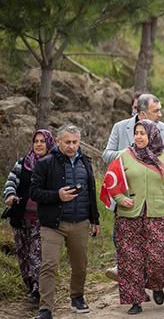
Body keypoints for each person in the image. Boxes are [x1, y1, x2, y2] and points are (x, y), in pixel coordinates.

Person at [30, 124, 100, 319]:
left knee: (80, 264)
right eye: (67, 142)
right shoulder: (45, 163)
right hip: (53, 224)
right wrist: (57, 195)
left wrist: (95, 219)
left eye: (75, 142)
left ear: (79, 142)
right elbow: (34, 192)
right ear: (58, 141)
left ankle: (77, 297)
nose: (71, 146)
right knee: (49, 265)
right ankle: (45, 309)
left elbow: (91, 192)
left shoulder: (85, 161)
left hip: (80, 222)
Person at [110, 120, 164, 314]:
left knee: (156, 257)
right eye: (136, 133)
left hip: (158, 214)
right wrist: (119, 197)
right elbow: (111, 181)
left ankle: (156, 284)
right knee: (131, 258)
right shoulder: (124, 156)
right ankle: (135, 299)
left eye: (143, 133)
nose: (139, 136)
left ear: (153, 135)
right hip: (129, 213)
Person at [4, 130, 55, 305]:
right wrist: (10, 195)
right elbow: (11, 182)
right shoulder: (22, 163)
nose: (39, 144)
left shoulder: (52, 164)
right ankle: (30, 285)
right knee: (23, 255)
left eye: (42, 141)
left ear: (49, 143)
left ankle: (37, 289)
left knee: (36, 254)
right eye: (36, 141)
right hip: (19, 217)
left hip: (41, 220)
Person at [103, 93, 164, 165]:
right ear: (142, 114)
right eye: (155, 111)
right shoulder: (120, 127)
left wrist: (157, 158)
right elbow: (107, 156)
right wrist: (130, 153)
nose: (160, 115)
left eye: (160, 110)